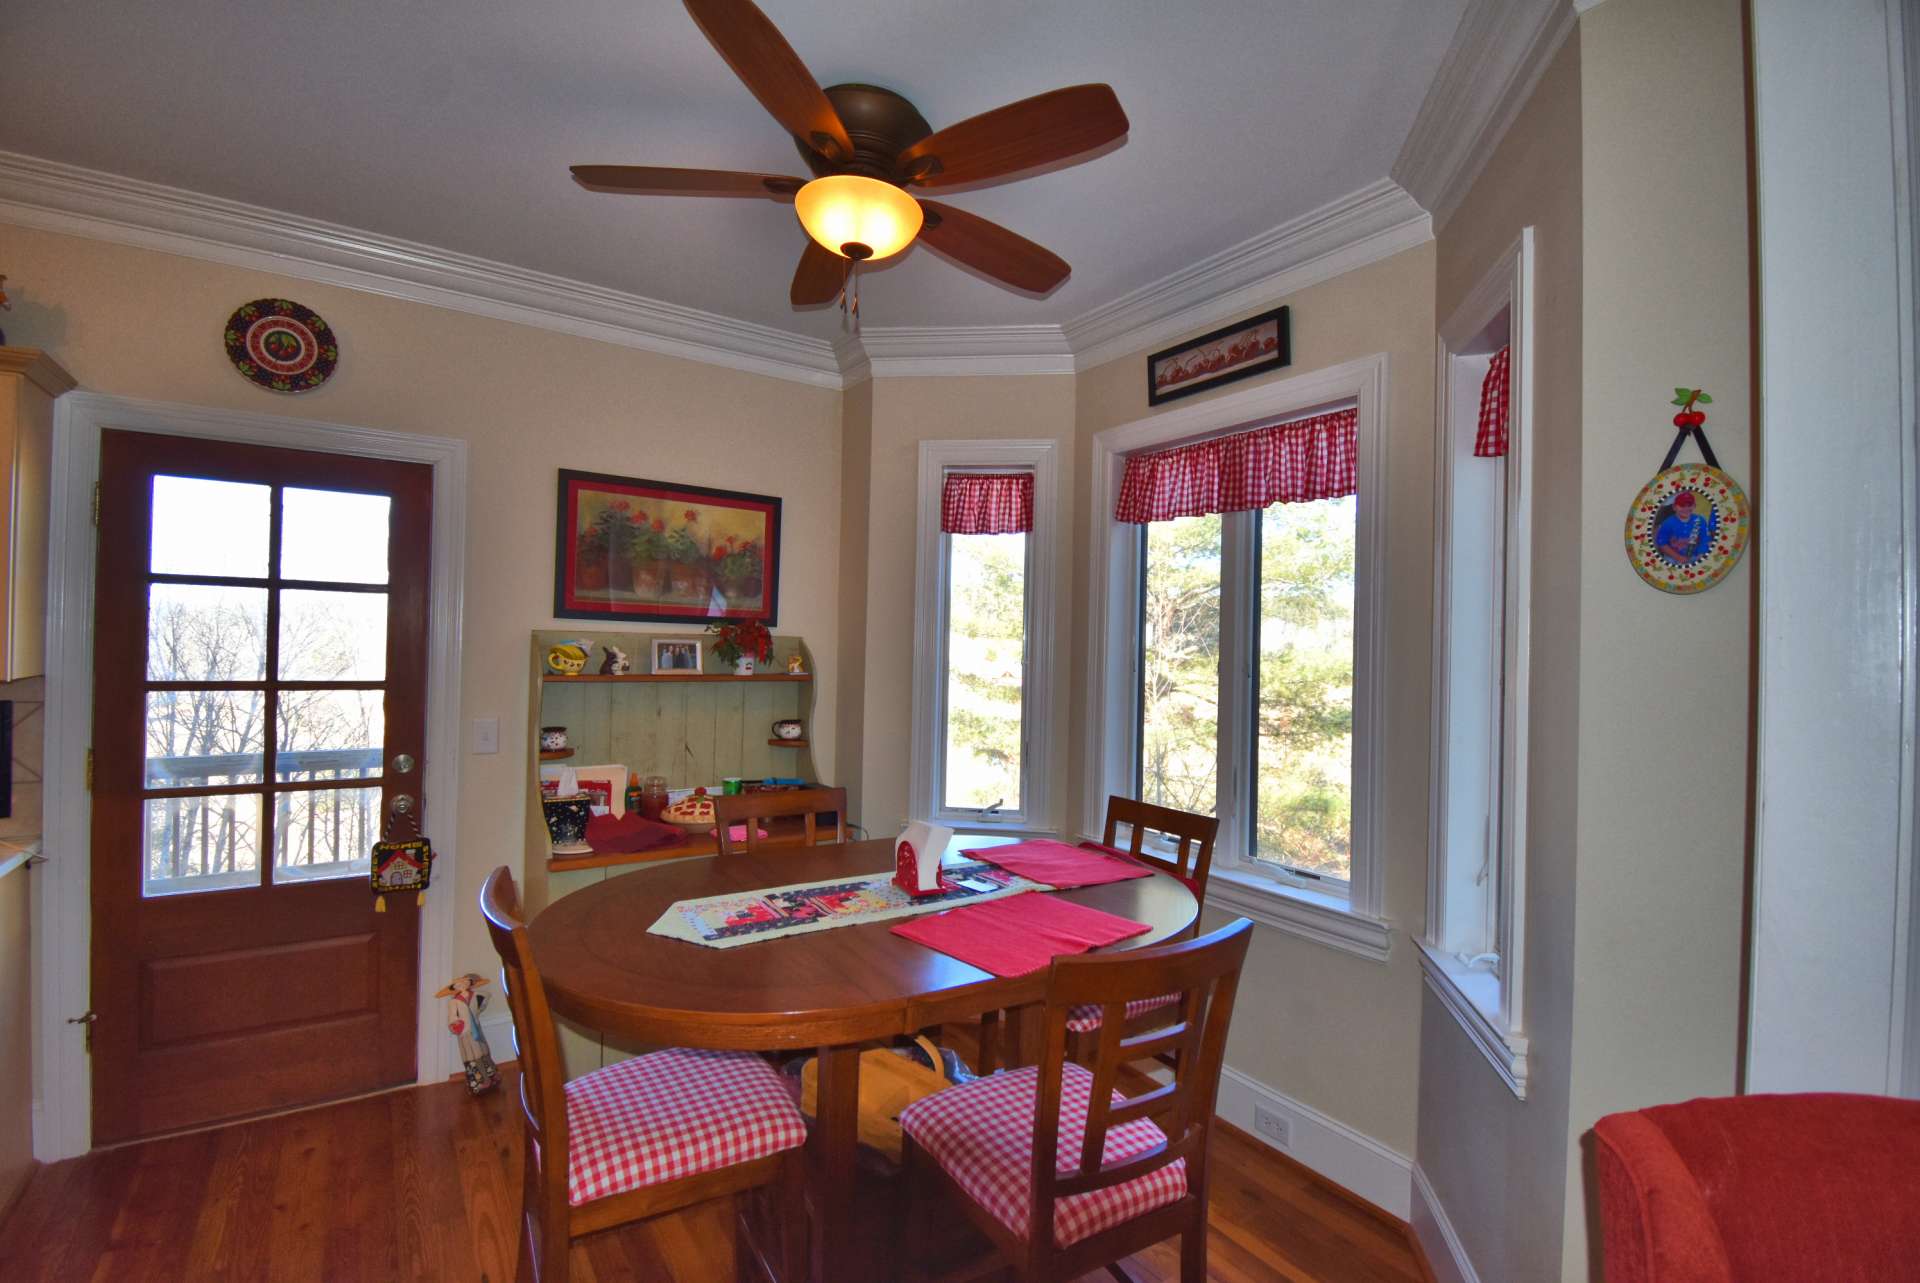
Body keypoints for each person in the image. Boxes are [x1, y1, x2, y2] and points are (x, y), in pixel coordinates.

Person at [1655, 490, 1711, 564]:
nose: (1686, 508)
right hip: (1673, 557)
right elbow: (1662, 544)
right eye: (1682, 505)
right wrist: (1678, 557)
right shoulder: (1668, 523)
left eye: (1689, 505)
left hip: (1695, 556)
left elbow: (1705, 539)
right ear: (1674, 507)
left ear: (1694, 506)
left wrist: (1700, 555)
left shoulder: (1700, 520)